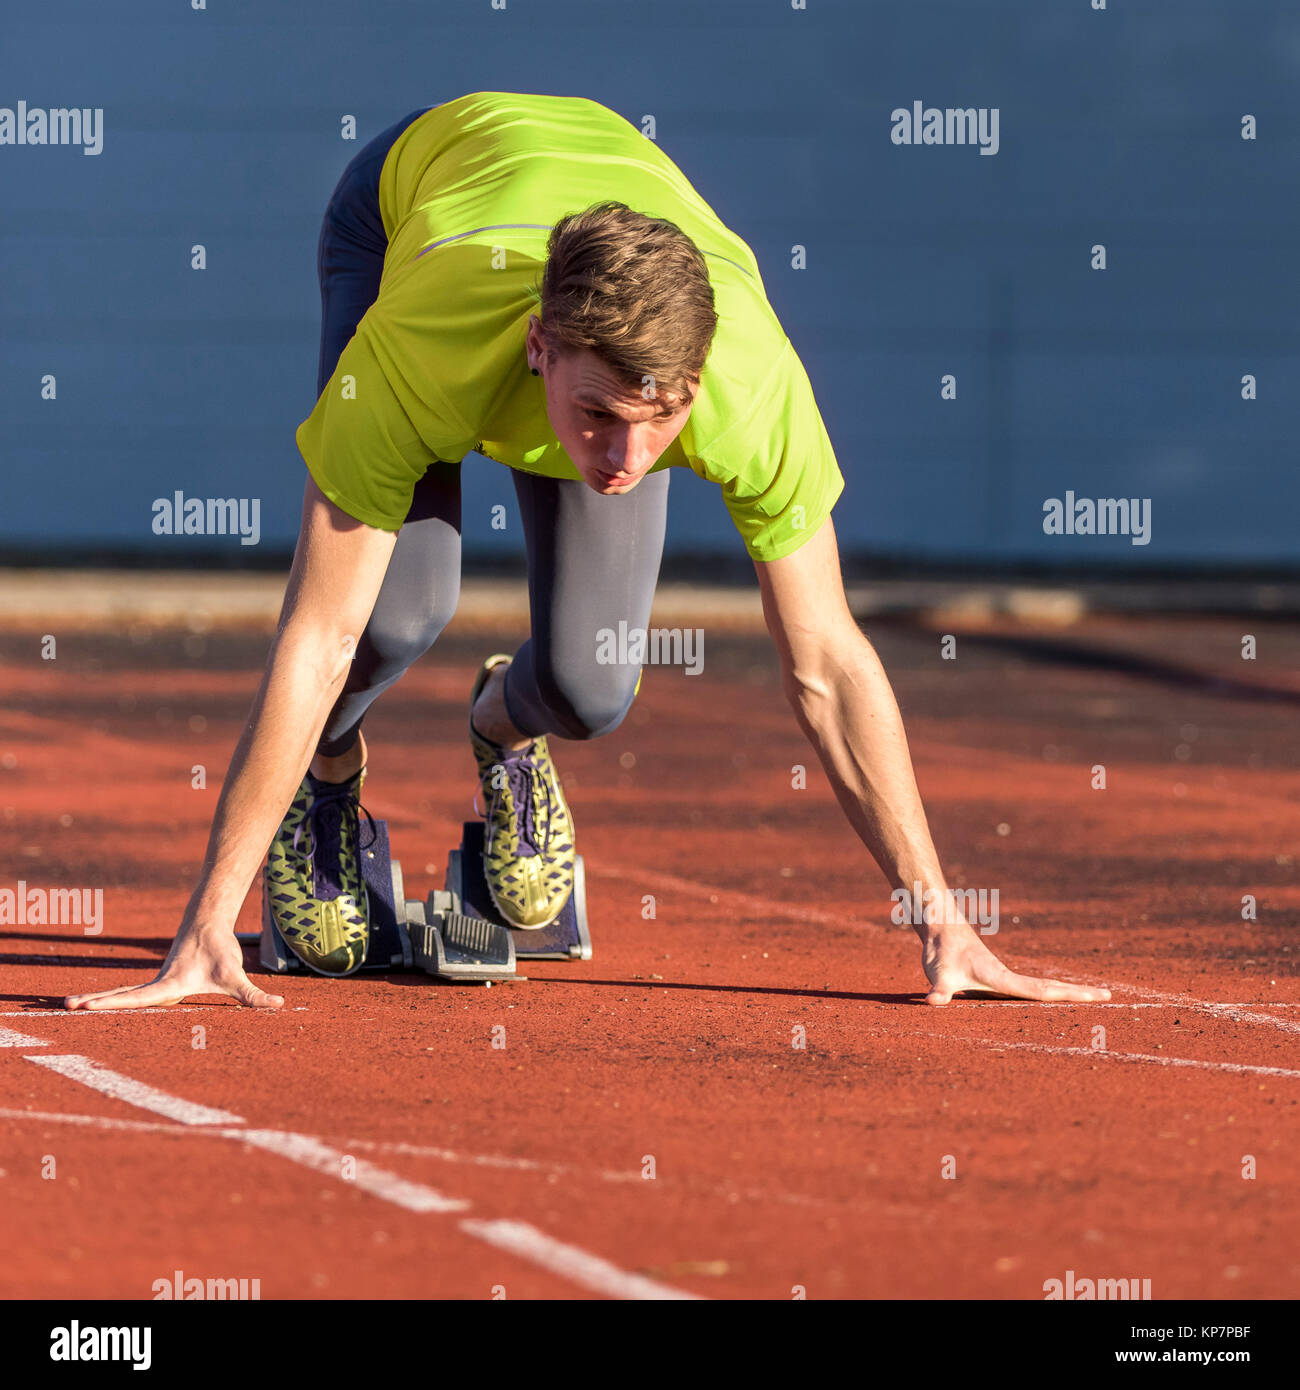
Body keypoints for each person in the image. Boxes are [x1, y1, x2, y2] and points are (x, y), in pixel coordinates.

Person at [64, 92, 1110, 1011]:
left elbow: (828, 665)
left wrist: (940, 921)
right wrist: (208, 923)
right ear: (539, 348)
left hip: (583, 243)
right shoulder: (418, 345)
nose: (627, 458)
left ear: (697, 381)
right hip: (402, 215)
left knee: (590, 685)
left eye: (659, 420)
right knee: (392, 617)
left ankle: (500, 731)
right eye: (598, 416)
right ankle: (327, 782)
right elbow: (318, 633)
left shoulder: (750, 388)